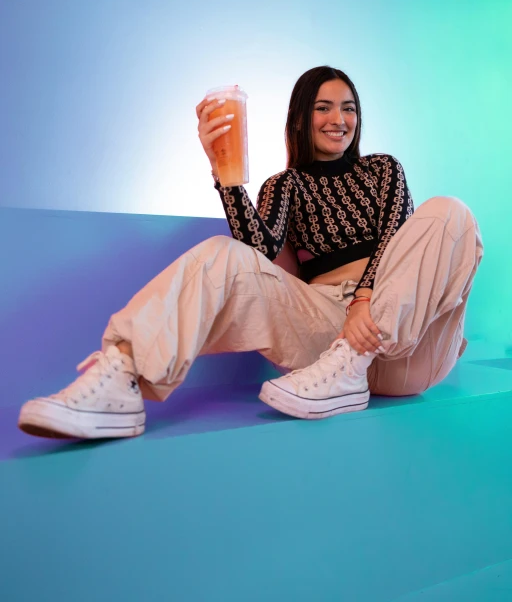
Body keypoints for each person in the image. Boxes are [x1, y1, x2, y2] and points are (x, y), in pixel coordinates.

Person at [18, 66, 483, 438]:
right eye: (323, 107)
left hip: (405, 343)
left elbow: (393, 239)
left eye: (348, 108)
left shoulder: (384, 170)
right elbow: (256, 251)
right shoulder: (286, 184)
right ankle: (123, 372)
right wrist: (225, 174)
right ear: (301, 118)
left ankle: (353, 361)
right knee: (224, 254)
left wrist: (365, 299)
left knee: (449, 211)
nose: (338, 119)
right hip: (325, 348)